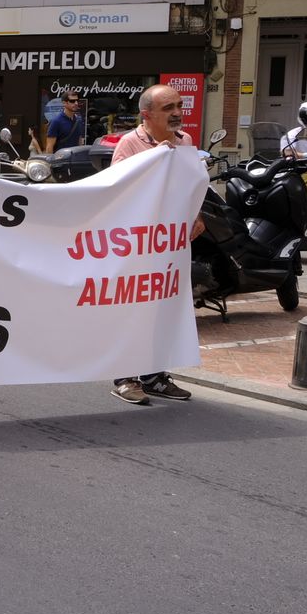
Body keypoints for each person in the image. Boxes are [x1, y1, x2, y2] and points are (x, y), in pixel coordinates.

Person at [107, 84, 203, 405]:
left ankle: (155, 377)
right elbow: (116, 190)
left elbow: (189, 184)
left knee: (164, 307)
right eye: (168, 108)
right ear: (146, 115)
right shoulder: (130, 143)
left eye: (178, 105)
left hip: (170, 244)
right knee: (132, 309)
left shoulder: (185, 142)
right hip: (138, 244)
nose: (177, 113)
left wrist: (196, 215)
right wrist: (155, 157)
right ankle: (125, 377)